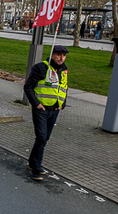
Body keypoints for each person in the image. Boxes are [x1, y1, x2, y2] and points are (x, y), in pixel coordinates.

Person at [23, 45, 69, 181]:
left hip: (55, 110)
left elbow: (64, 87)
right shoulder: (41, 68)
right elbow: (28, 86)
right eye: (59, 55)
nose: (62, 58)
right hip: (41, 110)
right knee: (41, 137)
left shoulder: (64, 70)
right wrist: (36, 104)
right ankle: (36, 168)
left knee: (44, 139)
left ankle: (32, 163)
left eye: (64, 55)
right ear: (52, 54)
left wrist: (63, 104)